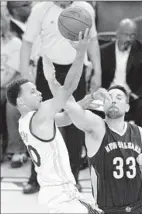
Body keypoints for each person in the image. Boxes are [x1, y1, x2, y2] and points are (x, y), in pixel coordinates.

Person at [6, 30, 102, 214]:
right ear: (20, 101)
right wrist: (81, 53)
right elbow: (68, 88)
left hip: (61, 193)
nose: (39, 93)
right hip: (60, 197)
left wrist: (81, 103)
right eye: (32, 92)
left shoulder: (30, 121)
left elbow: (66, 118)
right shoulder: (39, 116)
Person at [20, 1, 102, 191]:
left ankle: (72, 178)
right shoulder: (41, 9)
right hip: (48, 70)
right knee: (41, 124)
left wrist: (97, 70)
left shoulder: (85, 8)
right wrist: (25, 77)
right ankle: (36, 177)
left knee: (75, 125)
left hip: (76, 69)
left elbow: (93, 40)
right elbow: (27, 43)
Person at [64, 85, 142, 214]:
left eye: (119, 98)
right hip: (110, 210)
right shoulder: (96, 127)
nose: (113, 100)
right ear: (103, 105)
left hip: (141, 207)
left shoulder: (138, 132)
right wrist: (93, 96)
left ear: (127, 107)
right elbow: (70, 108)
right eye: (109, 97)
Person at [101, 18, 142, 132]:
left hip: (132, 96)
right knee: (91, 105)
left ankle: (140, 142)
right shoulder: (103, 51)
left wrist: (133, 96)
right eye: (125, 35)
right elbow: (99, 78)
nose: (128, 39)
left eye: (132, 35)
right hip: (108, 93)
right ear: (117, 33)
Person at [1, 6, 27, 166]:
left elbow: (10, 73)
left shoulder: (15, 43)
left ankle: (17, 150)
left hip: (9, 86)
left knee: (12, 106)